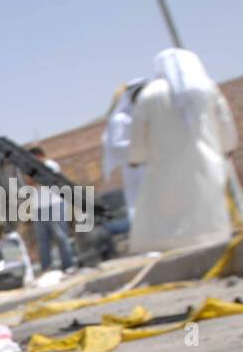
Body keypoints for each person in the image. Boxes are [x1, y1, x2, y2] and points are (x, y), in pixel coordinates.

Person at [128, 49, 238, 253]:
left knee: (170, 210)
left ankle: (175, 248)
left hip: (165, 164)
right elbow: (224, 120)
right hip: (206, 161)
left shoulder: (150, 93)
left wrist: (137, 157)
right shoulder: (207, 87)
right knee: (207, 203)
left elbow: (138, 132)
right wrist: (228, 146)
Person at [102, 79, 146, 223]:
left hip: (146, 164)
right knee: (139, 205)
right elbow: (116, 146)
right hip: (134, 167)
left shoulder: (136, 115)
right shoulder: (119, 119)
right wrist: (140, 147)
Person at [27, 146, 76, 272]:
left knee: (60, 236)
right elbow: (30, 181)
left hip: (54, 204)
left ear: (40, 155)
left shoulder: (51, 165)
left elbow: (46, 180)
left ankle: (68, 265)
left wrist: (36, 178)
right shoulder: (30, 167)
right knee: (43, 241)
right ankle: (46, 269)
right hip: (38, 207)